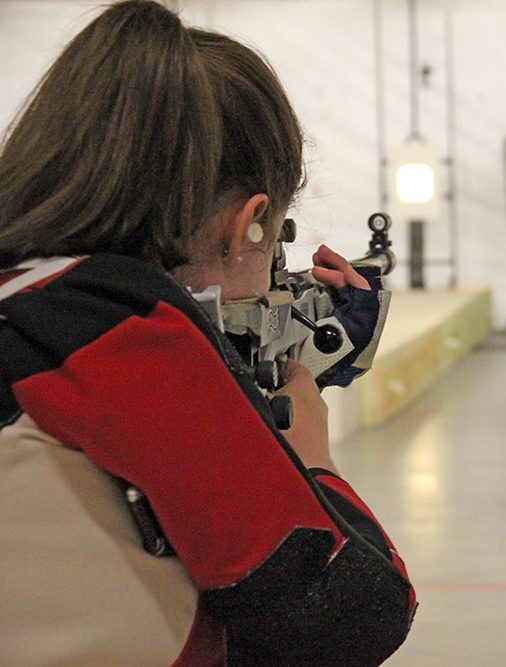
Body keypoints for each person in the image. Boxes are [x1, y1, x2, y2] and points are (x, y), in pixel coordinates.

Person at [0, 2, 415, 665]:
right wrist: (312, 457)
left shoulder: (32, 300)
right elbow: (353, 615)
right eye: (276, 237)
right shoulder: (127, 335)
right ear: (247, 224)